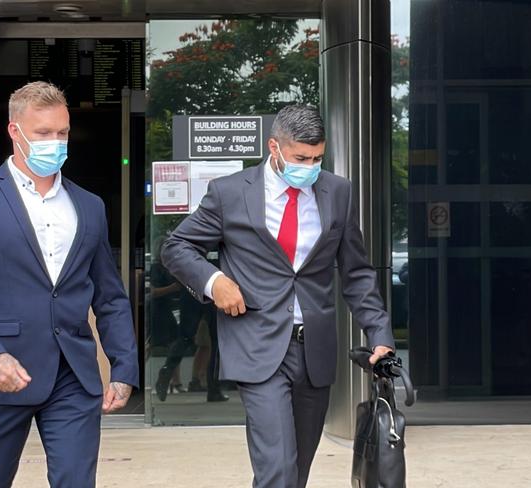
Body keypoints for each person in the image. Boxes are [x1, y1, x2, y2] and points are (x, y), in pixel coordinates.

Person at [161, 104, 395, 488]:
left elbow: (356, 273)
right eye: (301, 157)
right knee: (278, 471)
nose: (311, 165)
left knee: (296, 472)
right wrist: (214, 281)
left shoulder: (338, 192)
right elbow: (177, 246)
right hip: (257, 345)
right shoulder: (230, 193)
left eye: (318, 157)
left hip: (314, 351)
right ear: (275, 147)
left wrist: (381, 336)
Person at [0, 81, 139, 488]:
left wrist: (123, 367)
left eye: (62, 133)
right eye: (43, 133)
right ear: (15, 132)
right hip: (1, 373)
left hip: (73, 375)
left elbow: (109, 296)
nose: (56, 142)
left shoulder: (89, 205)